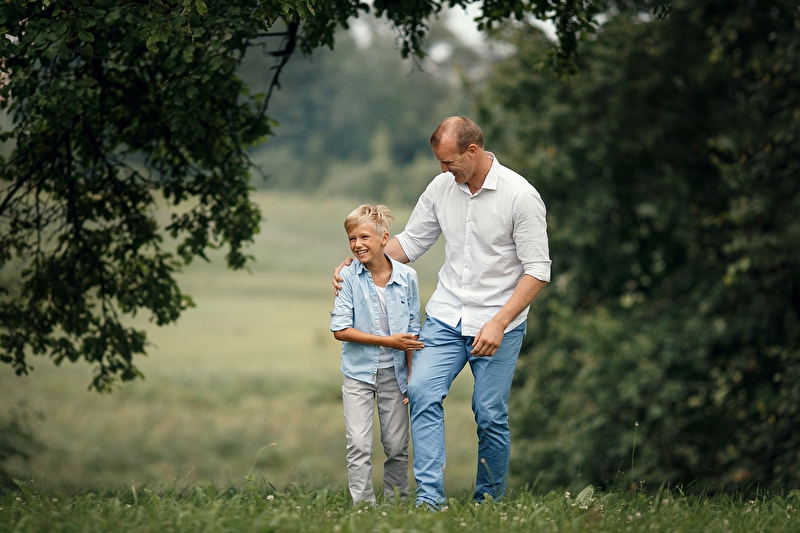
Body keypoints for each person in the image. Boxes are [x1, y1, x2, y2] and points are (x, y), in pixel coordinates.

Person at [333, 117, 551, 508]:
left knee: (489, 413)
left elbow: (537, 271)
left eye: (448, 161)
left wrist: (499, 323)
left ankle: (488, 503)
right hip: (446, 317)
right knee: (420, 391)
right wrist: (359, 263)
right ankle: (429, 501)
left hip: (498, 323)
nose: (443, 169)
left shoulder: (520, 196)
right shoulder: (441, 187)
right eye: (439, 161)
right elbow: (411, 242)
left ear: (473, 151)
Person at [330, 204, 425, 505]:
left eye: (364, 237)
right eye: (351, 238)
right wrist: (387, 341)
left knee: (396, 445)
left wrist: (411, 376)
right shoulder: (348, 276)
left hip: (395, 375)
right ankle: (363, 507)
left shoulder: (408, 277)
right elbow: (340, 329)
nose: (357, 244)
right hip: (358, 373)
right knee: (358, 444)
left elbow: (412, 331)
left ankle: (396, 504)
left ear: (384, 238)